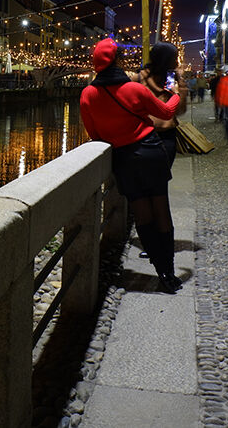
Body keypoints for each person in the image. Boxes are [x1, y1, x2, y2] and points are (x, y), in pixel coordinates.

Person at [80, 38, 183, 293]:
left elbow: (94, 134)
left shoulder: (88, 94)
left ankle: (159, 269)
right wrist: (177, 95)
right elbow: (166, 112)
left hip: (123, 159)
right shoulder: (134, 89)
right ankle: (169, 274)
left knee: (142, 214)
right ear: (116, 61)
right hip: (150, 152)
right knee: (161, 209)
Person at [136, 42, 188, 168]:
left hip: (141, 136)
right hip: (164, 136)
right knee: (161, 178)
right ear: (165, 60)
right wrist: (179, 92)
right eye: (175, 58)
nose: (177, 63)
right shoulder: (172, 80)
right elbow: (179, 110)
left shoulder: (138, 78)